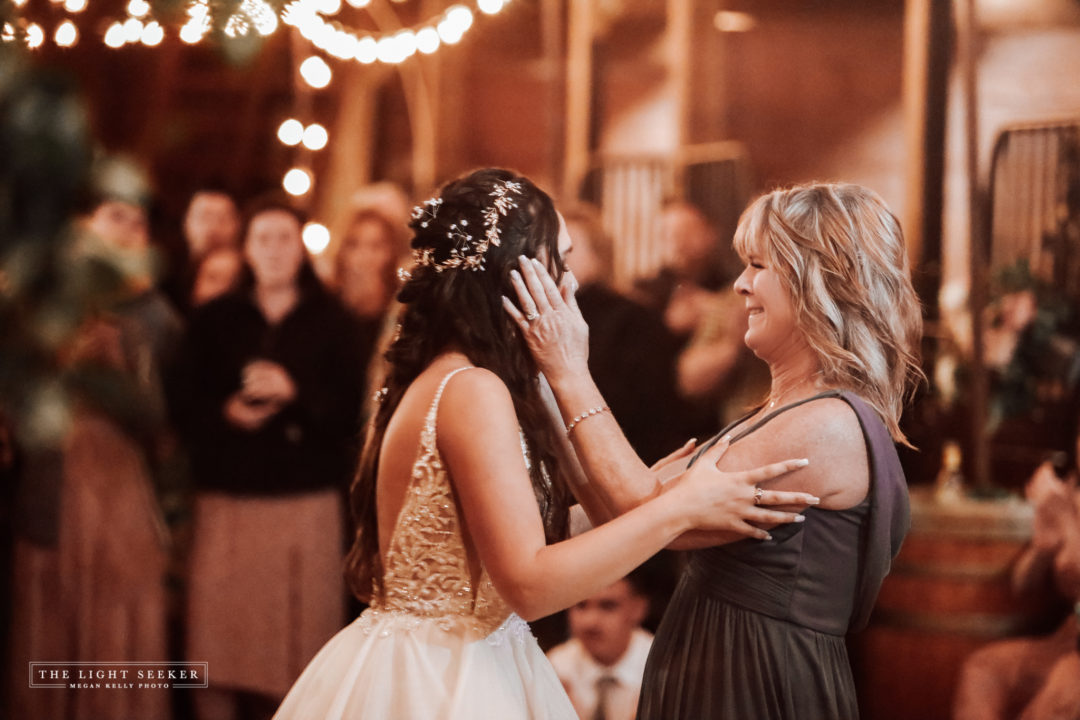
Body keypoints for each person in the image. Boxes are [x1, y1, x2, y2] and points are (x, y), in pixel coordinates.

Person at [271, 168, 817, 720]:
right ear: (516, 274)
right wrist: (678, 509)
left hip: (453, 655)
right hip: (442, 676)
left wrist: (652, 488)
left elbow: (518, 537)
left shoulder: (468, 377)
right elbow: (529, 586)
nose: (571, 284)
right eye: (561, 259)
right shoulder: (470, 390)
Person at [506, 182, 923, 719]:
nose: (740, 284)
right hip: (719, 670)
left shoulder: (828, 425)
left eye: (757, 265)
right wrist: (544, 387)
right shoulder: (779, 411)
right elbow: (624, 516)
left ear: (818, 281)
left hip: (757, 684)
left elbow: (642, 511)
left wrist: (567, 370)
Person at [171, 194, 366, 720]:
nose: (275, 250)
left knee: (297, 656)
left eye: (285, 238)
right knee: (216, 646)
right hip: (227, 500)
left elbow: (353, 412)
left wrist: (295, 393)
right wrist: (226, 413)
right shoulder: (214, 319)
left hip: (304, 501)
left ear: (301, 248)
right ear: (246, 249)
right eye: (263, 239)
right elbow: (182, 402)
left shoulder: (335, 321)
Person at [953, 418, 1080, 720]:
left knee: (1047, 709)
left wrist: (1063, 515)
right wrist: (1043, 549)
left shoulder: (1066, 502)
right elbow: (1022, 583)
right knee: (981, 670)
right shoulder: (1073, 490)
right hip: (1070, 638)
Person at [561, 205, 684, 464]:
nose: (556, 258)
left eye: (568, 249)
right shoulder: (544, 316)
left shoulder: (634, 318)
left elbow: (649, 410)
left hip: (628, 455)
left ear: (598, 254)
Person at [547, 572, 654, 720]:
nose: (590, 621)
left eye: (607, 606)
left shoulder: (663, 667)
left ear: (638, 609)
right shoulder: (556, 667)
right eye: (581, 605)